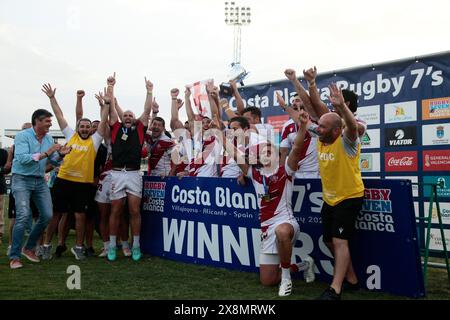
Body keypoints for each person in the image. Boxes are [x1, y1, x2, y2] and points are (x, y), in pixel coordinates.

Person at [222, 112, 315, 297]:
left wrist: (303, 127)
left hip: (286, 225)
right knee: (268, 281)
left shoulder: (286, 169)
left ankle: (287, 278)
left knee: (281, 231)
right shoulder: (253, 174)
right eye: (262, 151)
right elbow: (233, 153)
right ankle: (304, 264)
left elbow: (296, 148)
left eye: (268, 150)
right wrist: (222, 135)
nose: (266, 153)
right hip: (266, 229)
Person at [309, 83, 365, 300]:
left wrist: (341, 107)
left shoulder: (347, 142)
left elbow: (351, 127)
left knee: (340, 241)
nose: (317, 128)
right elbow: (308, 113)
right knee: (329, 241)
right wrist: (305, 85)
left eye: (322, 127)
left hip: (349, 197)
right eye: (318, 126)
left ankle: (335, 289)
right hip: (330, 199)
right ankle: (352, 280)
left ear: (335, 130)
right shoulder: (322, 138)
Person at [41, 83, 108, 261]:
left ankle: (78, 248)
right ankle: (46, 245)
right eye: (82, 126)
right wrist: (52, 98)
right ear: (78, 127)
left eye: (87, 126)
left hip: (83, 185)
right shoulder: (71, 135)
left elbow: (103, 122)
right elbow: (59, 115)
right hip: (63, 180)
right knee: (55, 214)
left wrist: (106, 104)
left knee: (80, 216)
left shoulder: (94, 140)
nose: (85, 128)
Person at [8, 109, 69, 269]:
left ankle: (28, 248)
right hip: (21, 179)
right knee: (22, 216)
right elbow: (22, 159)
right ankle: (14, 257)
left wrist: (61, 155)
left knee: (48, 215)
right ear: (37, 121)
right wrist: (47, 152)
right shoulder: (22, 136)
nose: (50, 124)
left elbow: (52, 161)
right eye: (47, 121)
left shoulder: (49, 139)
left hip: (39, 180)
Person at [107, 74, 153, 261]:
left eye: (130, 116)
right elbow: (111, 109)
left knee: (134, 211)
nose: (127, 117)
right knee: (116, 210)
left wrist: (149, 91)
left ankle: (136, 246)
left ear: (134, 119)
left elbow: (147, 109)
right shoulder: (116, 127)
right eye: (125, 115)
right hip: (117, 174)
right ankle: (112, 246)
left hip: (134, 174)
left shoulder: (140, 128)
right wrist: (110, 87)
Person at [0, 146, 9, 244]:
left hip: (0, 186)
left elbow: (7, 168)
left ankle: (0, 234)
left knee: (0, 211)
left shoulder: (3, 153)